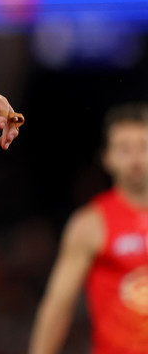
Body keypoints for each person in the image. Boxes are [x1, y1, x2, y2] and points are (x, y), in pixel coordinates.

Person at [28, 102, 148, 354]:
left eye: (143, 147)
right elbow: (58, 306)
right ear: (107, 158)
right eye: (124, 149)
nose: (136, 158)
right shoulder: (90, 224)